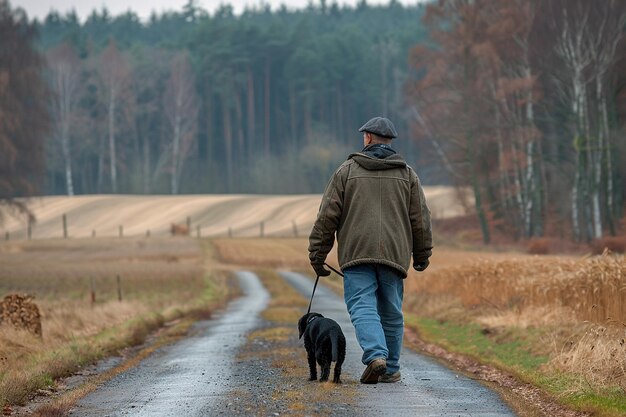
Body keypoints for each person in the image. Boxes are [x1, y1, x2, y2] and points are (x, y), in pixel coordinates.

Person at [308, 116, 433, 384]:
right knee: (391, 310)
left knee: (362, 305)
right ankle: (390, 369)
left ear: (367, 138)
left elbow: (327, 216)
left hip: (357, 254)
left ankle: (376, 355)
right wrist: (422, 254)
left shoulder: (347, 171)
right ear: (390, 142)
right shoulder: (408, 174)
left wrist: (318, 255)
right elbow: (420, 219)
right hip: (394, 254)